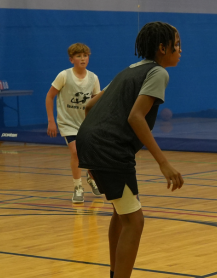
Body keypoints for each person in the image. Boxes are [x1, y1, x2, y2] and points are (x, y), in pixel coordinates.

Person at [76, 21, 184, 278]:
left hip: (90, 141)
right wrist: (163, 162)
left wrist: (92, 148)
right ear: (162, 48)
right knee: (135, 222)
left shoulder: (129, 70)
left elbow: (90, 107)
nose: (180, 50)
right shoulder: (158, 73)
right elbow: (136, 117)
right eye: (177, 45)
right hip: (109, 148)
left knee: (121, 213)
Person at [45, 43, 102, 203]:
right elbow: (49, 97)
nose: (82, 59)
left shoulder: (93, 78)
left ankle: (91, 178)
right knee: (76, 152)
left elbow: (96, 102)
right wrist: (51, 120)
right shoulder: (64, 75)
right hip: (67, 122)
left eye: (85, 55)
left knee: (90, 154)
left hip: (86, 123)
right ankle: (78, 187)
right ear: (71, 59)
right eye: (78, 56)